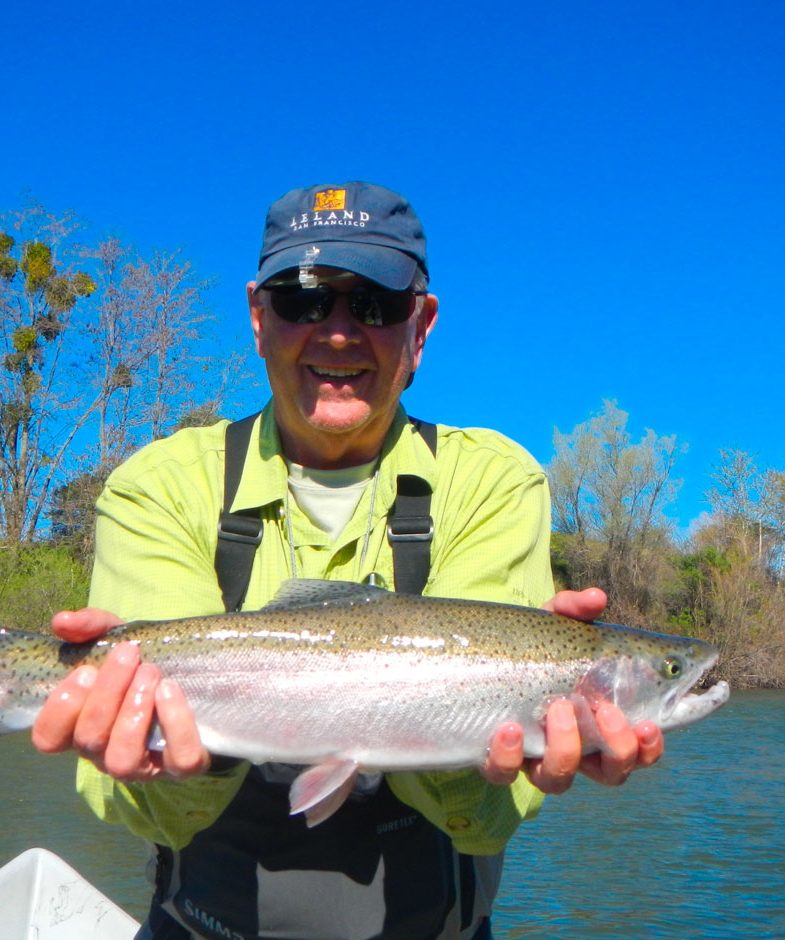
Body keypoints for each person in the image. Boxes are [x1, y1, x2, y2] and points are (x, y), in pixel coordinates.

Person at [33, 181, 664, 940]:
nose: (337, 332)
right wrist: (157, 762)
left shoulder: (494, 481)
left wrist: (506, 740)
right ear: (260, 320)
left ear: (420, 327)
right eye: (304, 301)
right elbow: (132, 805)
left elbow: (487, 819)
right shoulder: (161, 485)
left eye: (374, 304)